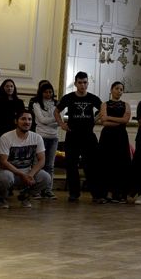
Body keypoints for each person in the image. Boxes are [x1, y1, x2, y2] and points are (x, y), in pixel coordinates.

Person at [55, 71, 102, 202]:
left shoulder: (93, 98)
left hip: (88, 137)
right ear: (75, 83)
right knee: (71, 166)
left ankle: (96, 194)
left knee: (91, 166)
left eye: (85, 82)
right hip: (72, 136)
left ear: (87, 83)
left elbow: (103, 109)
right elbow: (56, 111)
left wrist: (95, 119)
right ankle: (74, 193)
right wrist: (61, 124)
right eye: (80, 82)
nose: (82, 85)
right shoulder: (68, 97)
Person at [0, 110, 51, 209]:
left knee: (46, 177)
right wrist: (22, 175)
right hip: (8, 171)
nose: (27, 122)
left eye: (30, 119)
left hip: (27, 171)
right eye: (23, 119)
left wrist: (30, 174)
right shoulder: (6, 137)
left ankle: (25, 196)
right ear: (16, 121)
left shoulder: (37, 137)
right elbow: (3, 162)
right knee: (5, 177)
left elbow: (42, 160)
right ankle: (1, 199)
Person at [30, 81, 59, 199]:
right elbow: (41, 120)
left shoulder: (57, 104)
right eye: (46, 92)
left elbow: (59, 121)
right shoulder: (36, 104)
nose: (48, 94)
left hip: (53, 137)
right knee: (38, 164)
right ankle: (36, 189)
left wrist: (54, 120)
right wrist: (55, 118)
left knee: (50, 165)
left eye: (50, 92)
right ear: (41, 93)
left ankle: (48, 190)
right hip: (40, 136)